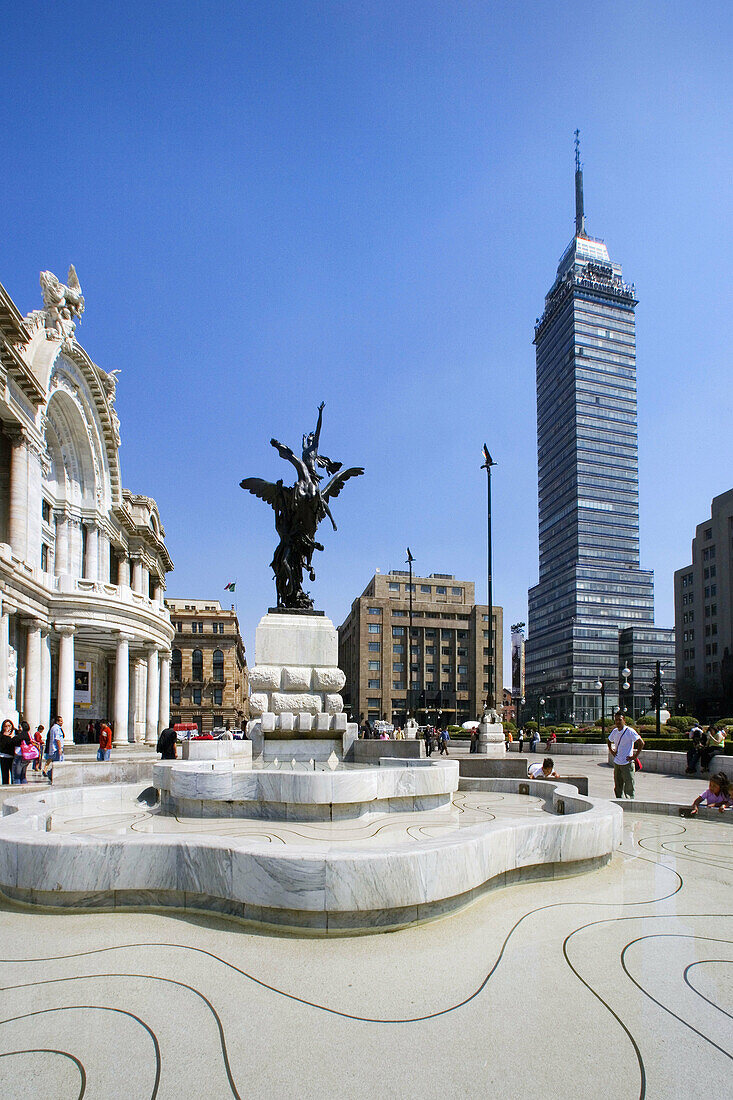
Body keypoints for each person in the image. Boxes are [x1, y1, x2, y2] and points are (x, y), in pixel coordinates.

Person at [607, 712, 644, 800]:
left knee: (629, 785)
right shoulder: (615, 731)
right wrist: (612, 751)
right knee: (618, 785)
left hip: (627, 763)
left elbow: (641, 743)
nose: (617, 722)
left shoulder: (630, 731)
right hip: (617, 763)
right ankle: (619, 800)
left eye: (619, 720)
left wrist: (634, 756)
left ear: (624, 720)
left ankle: (630, 802)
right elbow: (609, 740)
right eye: (616, 720)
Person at [42, 715, 65, 783]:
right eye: (60, 721)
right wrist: (60, 748)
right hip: (56, 749)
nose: (62, 722)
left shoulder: (54, 728)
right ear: (57, 721)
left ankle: (50, 774)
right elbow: (57, 739)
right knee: (58, 764)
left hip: (54, 749)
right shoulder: (56, 728)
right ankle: (50, 774)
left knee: (57, 763)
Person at [11, 720, 34, 785]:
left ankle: (17, 789)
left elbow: (13, 740)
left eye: (19, 727)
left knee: (17, 776)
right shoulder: (28, 734)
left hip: (20, 755)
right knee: (23, 775)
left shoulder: (23, 734)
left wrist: (13, 736)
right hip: (26, 756)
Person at [0, 719, 22, 785]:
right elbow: (2, 746)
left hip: (14, 757)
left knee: (14, 775)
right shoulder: (1, 735)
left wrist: (13, 737)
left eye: (9, 726)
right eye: (5, 726)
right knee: (5, 775)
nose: (7, 728)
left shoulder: (15, 734)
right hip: (4, 756)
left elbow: (17, 743)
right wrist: (5, 736)